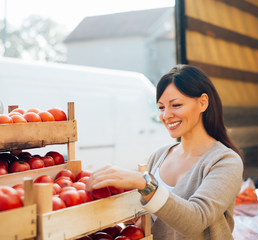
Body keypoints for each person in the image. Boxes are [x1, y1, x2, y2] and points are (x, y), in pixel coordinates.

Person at [86, 64, 244, 240]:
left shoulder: (225, 161)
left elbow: (195, 220)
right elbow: (157, 219)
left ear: (203, 102)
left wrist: (144, 183)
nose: (166, 115)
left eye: (175, 105)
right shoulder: (159, 156)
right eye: (161, 107)